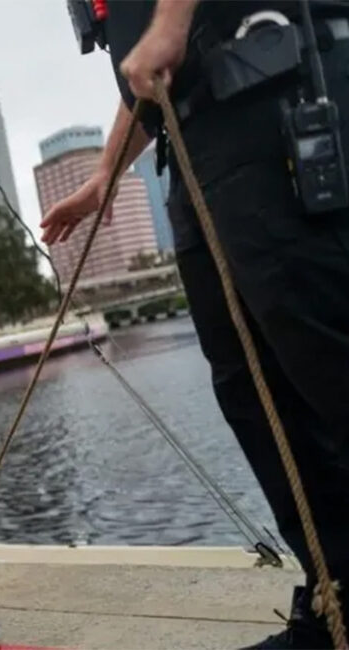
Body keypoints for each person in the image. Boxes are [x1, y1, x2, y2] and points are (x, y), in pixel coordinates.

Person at [44, 1, 349, 647]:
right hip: (196, 145)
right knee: (251, 388)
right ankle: (336, 592)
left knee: (324, 358)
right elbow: (148, 80)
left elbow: (167, 39)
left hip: (272, 102)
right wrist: (103, 176)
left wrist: (171, 24)